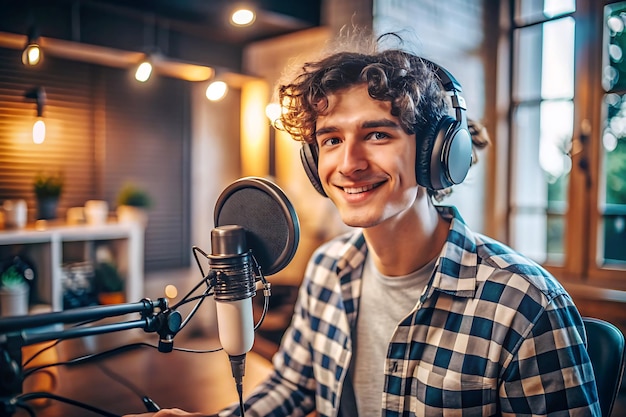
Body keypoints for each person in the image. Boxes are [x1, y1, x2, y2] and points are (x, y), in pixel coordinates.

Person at [126, 33, 600, 417]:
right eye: (331, 139)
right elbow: (294, 384)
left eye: (377, 134)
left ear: (436, 153)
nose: (349, 163)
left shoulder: (526, 304)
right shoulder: (328, 267)